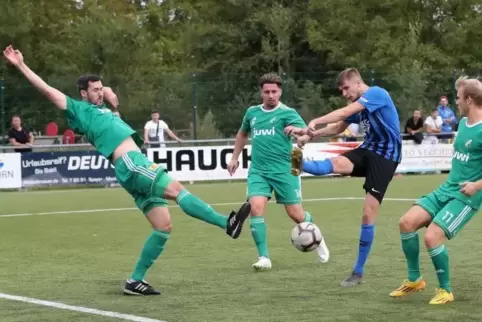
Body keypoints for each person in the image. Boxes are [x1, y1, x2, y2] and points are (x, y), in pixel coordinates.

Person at [3, 45, 251, 296]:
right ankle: (226, 224)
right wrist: (21, 65)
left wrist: (108, 93)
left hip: (130, 168)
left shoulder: (101, 106)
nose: (100, 93)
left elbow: (109, 94)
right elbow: (48, 91)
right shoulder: (79, 110)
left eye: (101, 89)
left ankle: (135, 281)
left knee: (163, 227)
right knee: (177, 189)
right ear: (83, 93)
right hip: (131, 163)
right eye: (95, 90)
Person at [286, 68, 401, 287]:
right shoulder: (359, 104)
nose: (345, 93)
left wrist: (315, 121)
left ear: (358, 83)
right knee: (336, 163)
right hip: (368, 150)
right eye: (341, 90)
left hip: (386, 158)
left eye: (346, 88)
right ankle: (299, 164)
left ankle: (357, 272)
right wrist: (309, 133)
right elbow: (338, 126)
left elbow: (342, 113)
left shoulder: (377, 93)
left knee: (368, 215)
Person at [389, 77, 482, 304]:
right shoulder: (462, 124)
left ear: (469, 100)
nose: (455, 102)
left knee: (432, 237)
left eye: (458, 98)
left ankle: (445, 291)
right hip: (448, 187)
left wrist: (476, 185)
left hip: (467, 196)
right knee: (406, 222)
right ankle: (415, 280)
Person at [227, 73, 329, 271]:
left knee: (296, 214)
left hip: (285, 170)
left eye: (274, 91)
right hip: (258, 171)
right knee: (255, 208)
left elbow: (308, 132)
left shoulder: (287, 113)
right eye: (267, 92)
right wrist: (234, 157)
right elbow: (242, 133)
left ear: (280, 92)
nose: (271, 95)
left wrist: (297, 131)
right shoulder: (252, 113)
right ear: (261, 92)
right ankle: (264, 257)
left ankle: (317, 237)